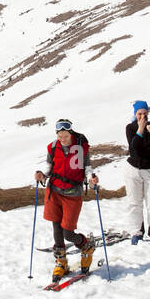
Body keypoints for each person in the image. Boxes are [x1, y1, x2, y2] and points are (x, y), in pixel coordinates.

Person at [34, 119, 100, 281]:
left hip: (73, 193)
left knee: (68, 233)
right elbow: (49, 168)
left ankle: (86, 246)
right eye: (59, 136)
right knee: (56, 229)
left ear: (70, 133)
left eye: (64, 135)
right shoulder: (53, 147)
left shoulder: (80, 146)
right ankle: (61, 263)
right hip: (54, 191)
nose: (62, 139)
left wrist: (91, 179)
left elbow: (87, 168)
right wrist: (42, 175)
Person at [124, 101, 150, 244]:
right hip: (133, 169)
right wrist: (140, 130)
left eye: (144, 113)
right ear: (135, 114)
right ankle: (136, 231)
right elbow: (133, 147)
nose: (142, 116)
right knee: (134, 202)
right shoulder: (130, 128)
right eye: (139, 113)